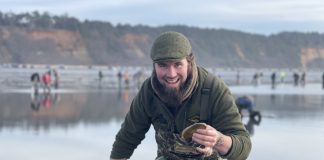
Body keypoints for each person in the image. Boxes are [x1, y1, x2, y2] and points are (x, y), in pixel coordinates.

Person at [110, 31, 251, 160]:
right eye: (163, 65)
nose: (171, 74)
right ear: (154, 66)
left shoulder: (214, 88)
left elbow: (244, 146)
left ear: (189, 63)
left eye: (178, 65)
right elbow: (127, 139)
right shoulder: (148, 91)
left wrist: (219, 140)